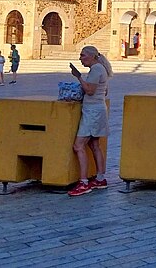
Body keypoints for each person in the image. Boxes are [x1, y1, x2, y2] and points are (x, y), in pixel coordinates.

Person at [68, 45, 114, 197]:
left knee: (78, 145)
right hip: (97, 109)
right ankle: (100, 178)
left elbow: (90, 90)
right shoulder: (101, 69)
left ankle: (83, 182)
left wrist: (78, 76)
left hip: (92, 112)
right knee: (94, 145)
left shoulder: (96, 69)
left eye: (82, 55)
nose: (80, 58)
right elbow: (104, 90)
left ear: (92, 56)